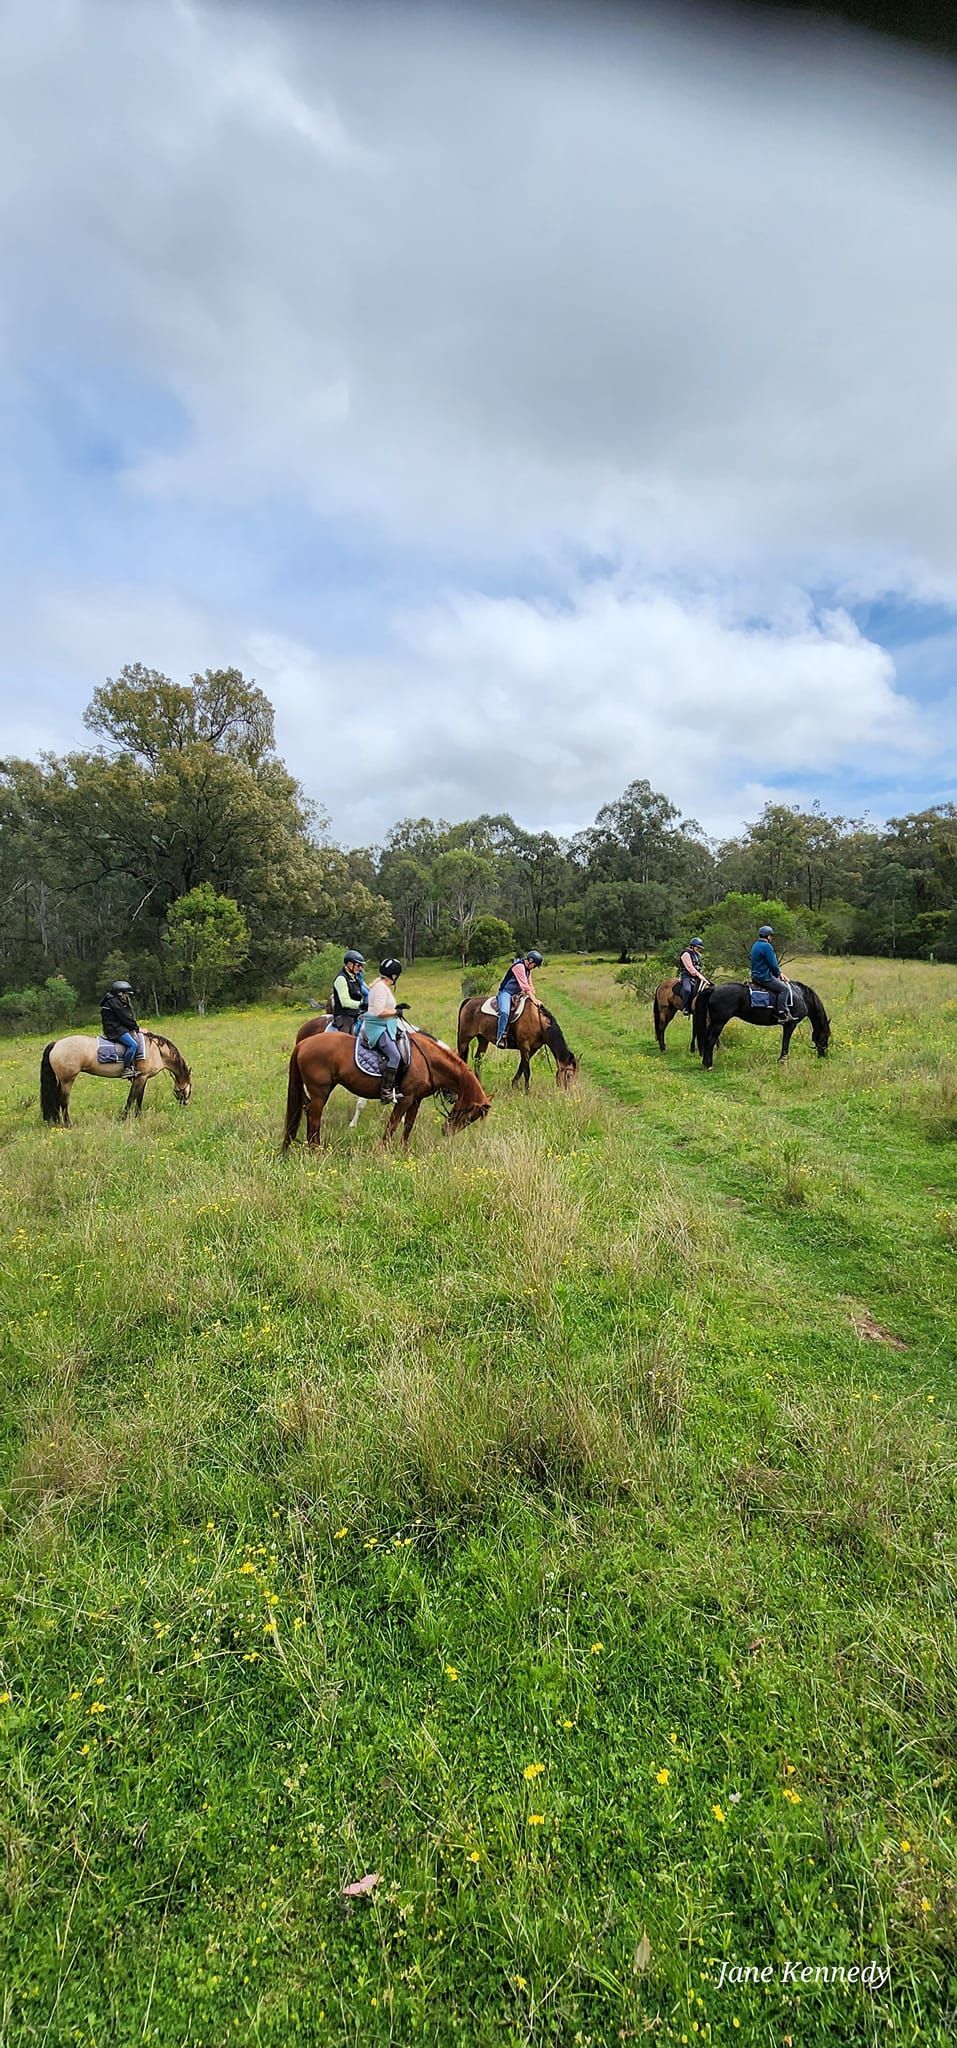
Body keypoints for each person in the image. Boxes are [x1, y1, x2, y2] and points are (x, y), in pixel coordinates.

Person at [360, 958, 408, 1102]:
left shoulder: (380, 985)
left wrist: (396, 1009)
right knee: (395, 1056)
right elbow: (379, 1011)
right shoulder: (380, 987)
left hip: (385, 1025)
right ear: (394, 976)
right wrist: (396, 1012)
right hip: (378, 1028)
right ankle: (386, 1092)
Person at [496, 950, 544, 1047]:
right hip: (506, 992)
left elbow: (529, 983)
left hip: (517, 994)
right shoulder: (519, 967)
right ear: (530, 961)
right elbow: (524, 986)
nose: (534, 968)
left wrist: (533, 994)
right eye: (534, 965)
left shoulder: (527, 969)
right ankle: (500, 1036)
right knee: (505, 1012)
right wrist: (534, 1000)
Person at [100, 978, 143, 1078]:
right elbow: (125, 1018)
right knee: (133, 1045)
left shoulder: (113, 1001)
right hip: (115, 1030)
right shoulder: (115, 1003)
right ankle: (127, 1068)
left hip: (116, 1027)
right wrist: (136, 1028)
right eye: (126, 994)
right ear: (120, 993)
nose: (127, 996)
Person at [749, 925, 789, 1019]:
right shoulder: (767, 946)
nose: (771, 938)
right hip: (764, 977)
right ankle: (781, 1012)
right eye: (771, 936)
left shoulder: (755, 945)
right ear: (768, 936)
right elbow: (773, 965)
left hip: (755, 977)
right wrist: (779, 975)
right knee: (784, 989)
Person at [330, 950, 369, 1033]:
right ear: (350, 964)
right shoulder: (341, 979)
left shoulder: (355, 978)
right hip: (345, 1016)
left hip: (357, 1013)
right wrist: (361, 1005)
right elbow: (345, 1002)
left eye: (361, 966)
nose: (360, 968)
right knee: (345, 1039)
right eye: (358, 965)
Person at [677, 937, 705, 1016]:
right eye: (698, 947)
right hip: (687, 976)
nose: (699, 949)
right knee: (687, 990)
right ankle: (685, 1007)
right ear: (692, 946)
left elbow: (698, 967)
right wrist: (699, 976)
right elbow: (690, 968)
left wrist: (701, 975)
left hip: (697, 976)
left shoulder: (698, 955)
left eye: (700, 948)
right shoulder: (686, 954)